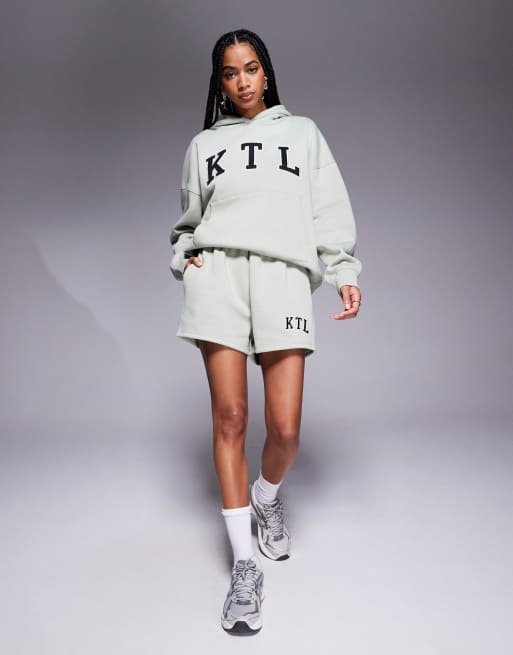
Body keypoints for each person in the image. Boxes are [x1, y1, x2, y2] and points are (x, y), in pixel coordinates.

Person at [169, 28, 362, 636]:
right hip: (219, 278)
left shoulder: (302, 134)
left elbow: (327, 208)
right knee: (230, 417)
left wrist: (343, 270)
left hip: (282, 278)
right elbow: (187, 223)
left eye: (251, 68)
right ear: (220, 83)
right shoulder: (204, 145)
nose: (243, 81)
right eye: (230, 73)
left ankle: (267, 496)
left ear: (266, 72)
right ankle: (244, 567)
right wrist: (186, 259)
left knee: (285, 429)